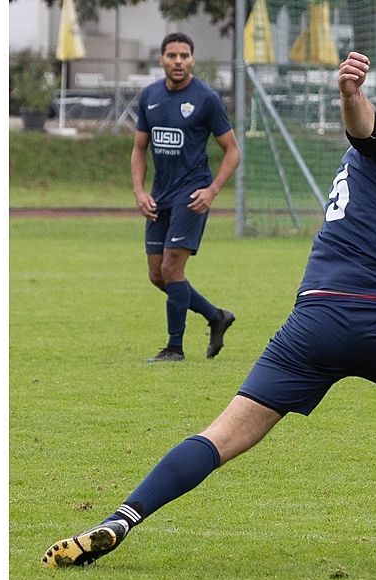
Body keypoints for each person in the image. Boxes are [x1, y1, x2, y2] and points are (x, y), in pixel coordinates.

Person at [42, 52, 376, 569]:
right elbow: (368, 128)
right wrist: (350, 96)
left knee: (223, 434)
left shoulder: (364, 171)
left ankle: (122, 518)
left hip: (314, 320)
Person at [132, 33, 241, 363]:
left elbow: (232, 151)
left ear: (192, 60)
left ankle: (174, 348)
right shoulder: (149, 96)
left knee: (171, 267)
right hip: (160, 196)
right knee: (157, 275)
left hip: (192, 194)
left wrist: (212, 191)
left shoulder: (205, 98)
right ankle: (216, 316)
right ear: (161, 60)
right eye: (172, 55)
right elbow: (138, 148)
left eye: (184, 56)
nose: (178, 61)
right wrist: (139, 192)